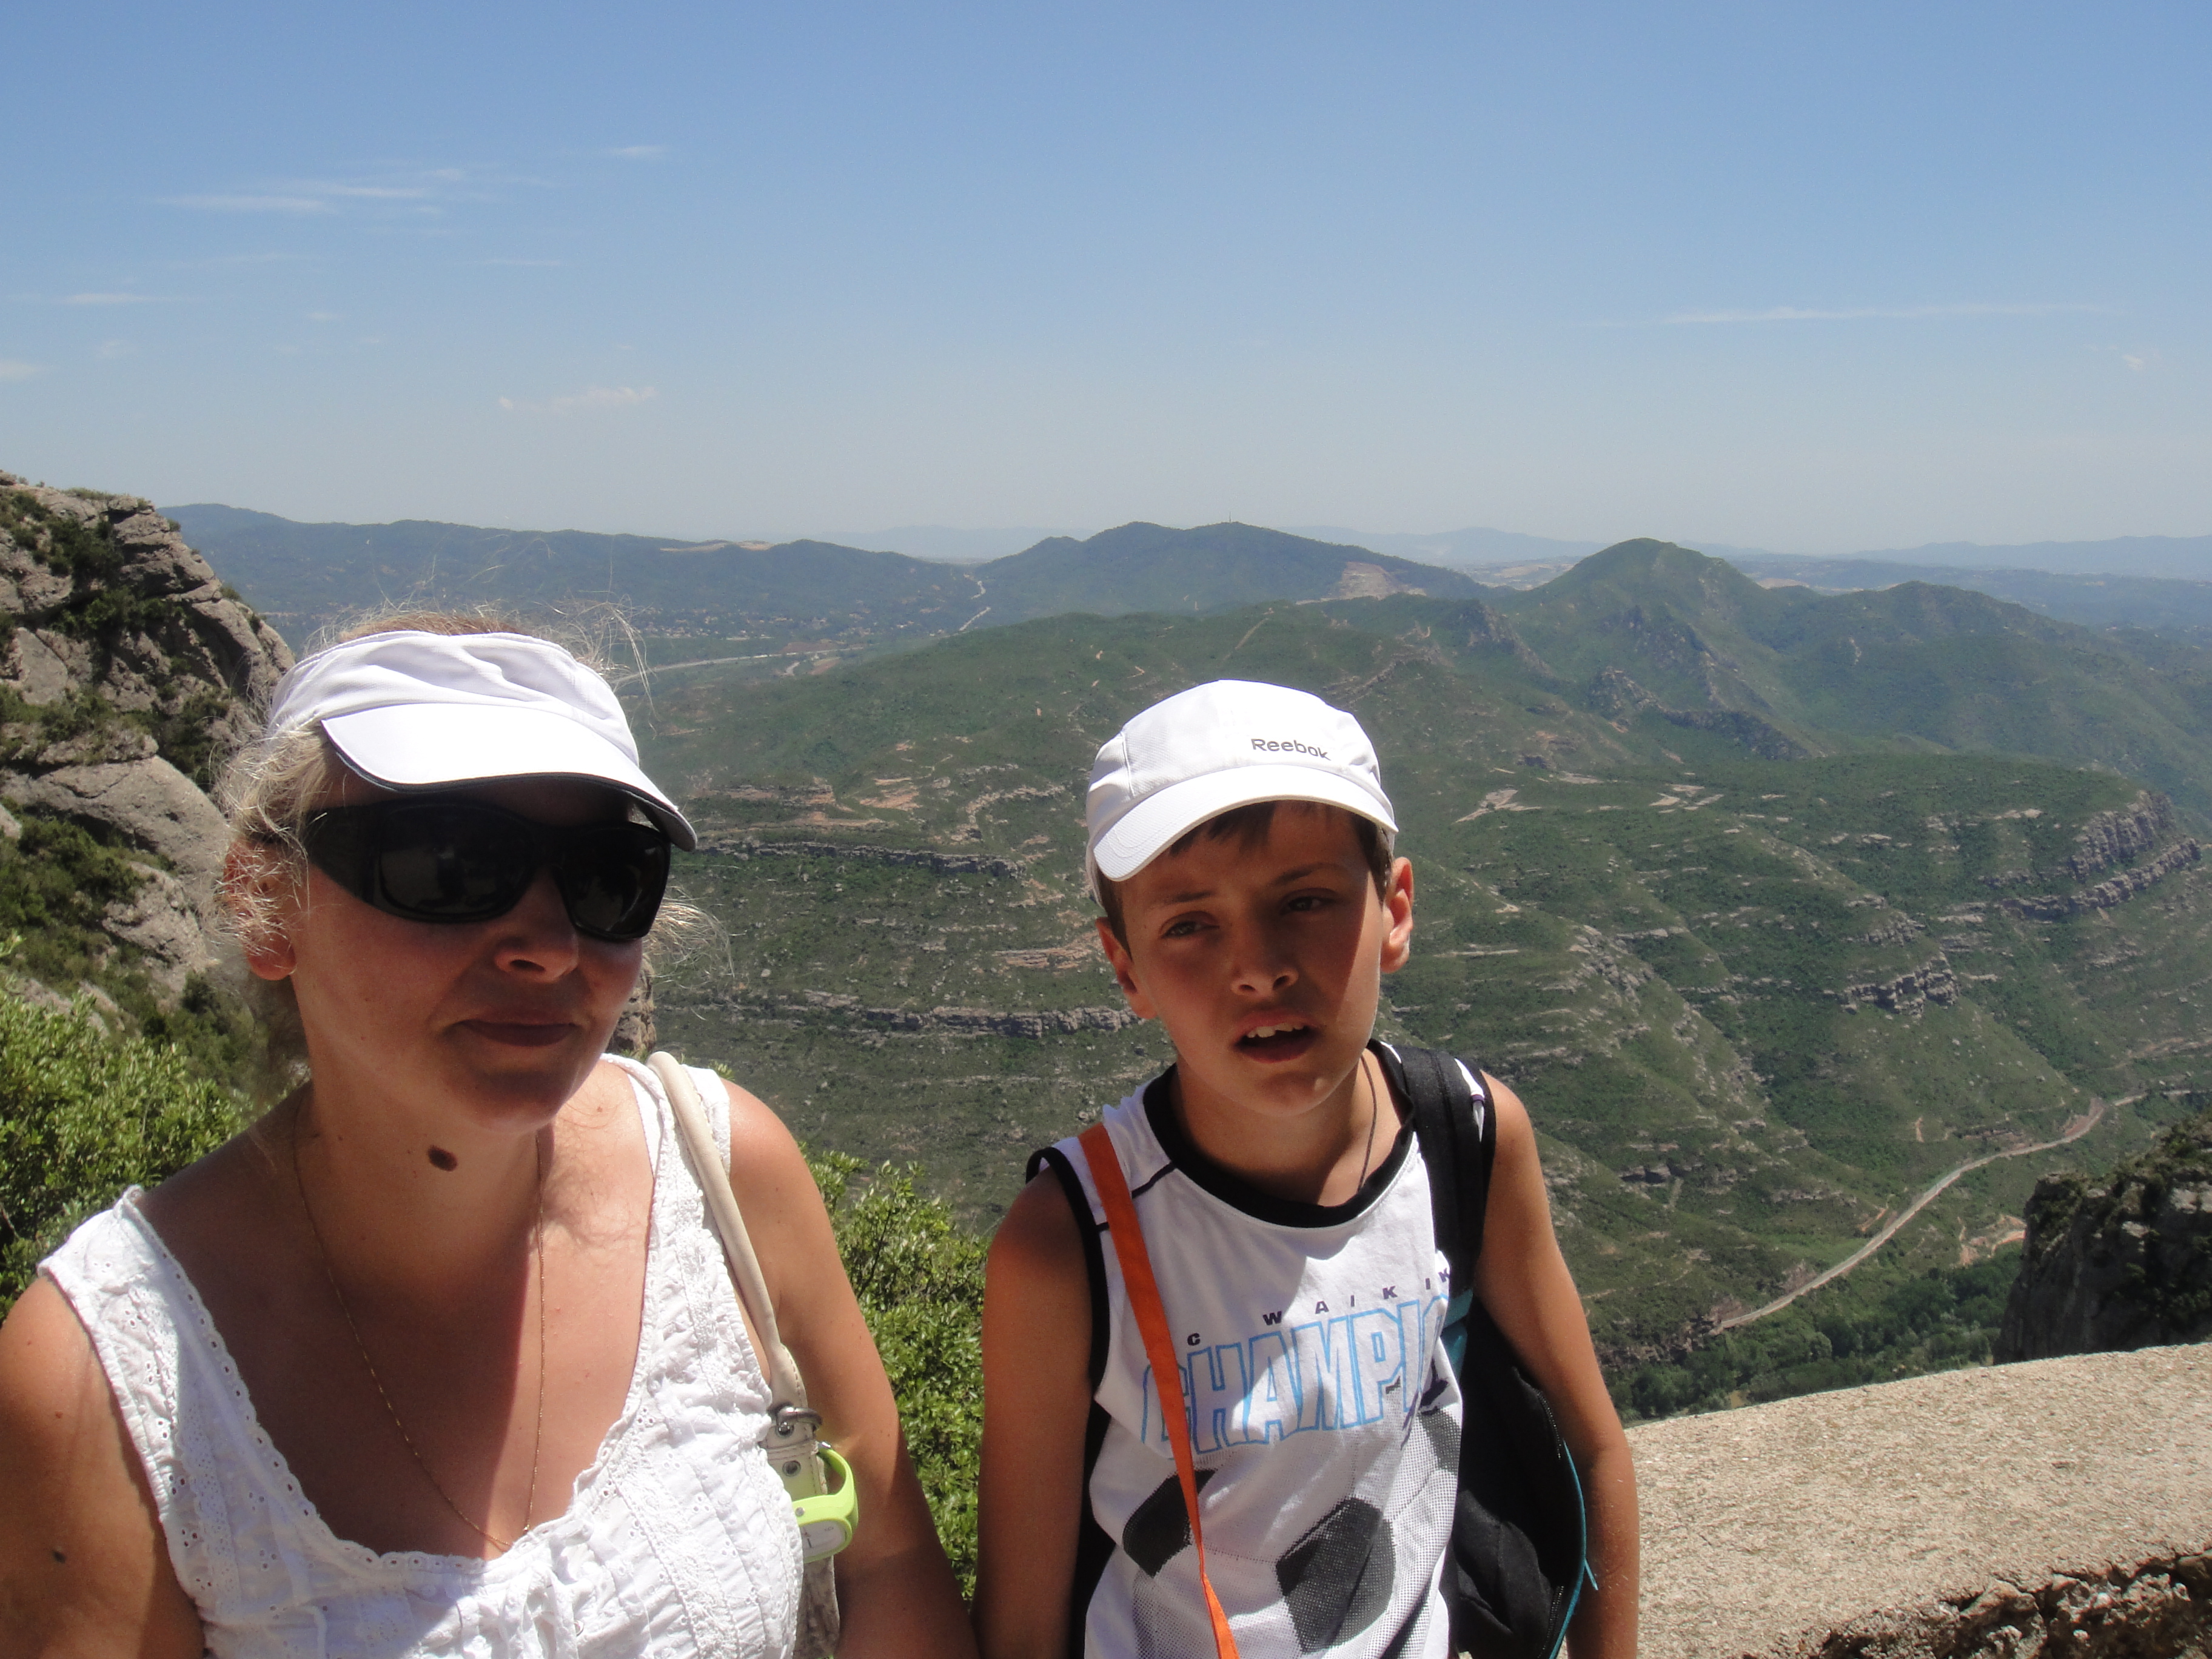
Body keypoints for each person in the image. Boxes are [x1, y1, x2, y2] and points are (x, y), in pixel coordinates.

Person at [0, 617, 975, 1658]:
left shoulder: (727, 1173)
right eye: (448, 864)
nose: (549, 946)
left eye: (606, 876)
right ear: (266, 903)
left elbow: (886, 1567)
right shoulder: (101, 1381)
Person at [973, 679, 1638, 1659]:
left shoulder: (1469, 1136)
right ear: (1126, 968)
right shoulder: (1070, 1242)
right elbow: (1021, 1624)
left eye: (1308, 901)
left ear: (1395, 910)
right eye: (1190, 925)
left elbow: (1593, 1447)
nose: (1260, 966)